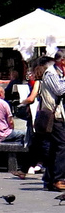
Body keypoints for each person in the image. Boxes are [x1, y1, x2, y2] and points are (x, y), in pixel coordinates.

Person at [40, 50, 65, 191]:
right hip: (54, 116)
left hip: (59, 115)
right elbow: (60, 90)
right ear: (62, 61)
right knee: (62, 145)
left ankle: (49, 180)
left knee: (54, 147)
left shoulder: (58, 74)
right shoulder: (51, 73)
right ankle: (59, 179)